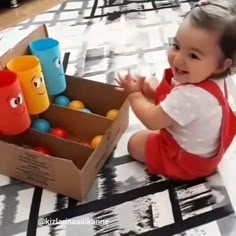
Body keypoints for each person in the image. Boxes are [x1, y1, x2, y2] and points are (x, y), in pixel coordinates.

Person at [115, 0, 236, 180]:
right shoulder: (212, 77)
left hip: (187, 163)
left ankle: (176, 166)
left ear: (221, 65)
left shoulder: (191, 95)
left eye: (193, 55)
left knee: (134, 142)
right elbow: (183, 106)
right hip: (206, 152)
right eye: (177, 46)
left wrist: (134, 94)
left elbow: (152, 120)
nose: (178, 59)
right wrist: (152, 94)